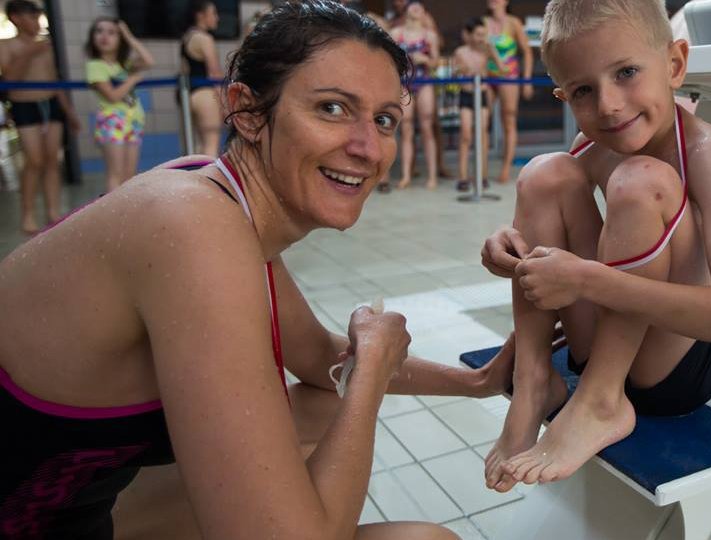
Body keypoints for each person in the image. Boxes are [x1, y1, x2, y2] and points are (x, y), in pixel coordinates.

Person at [0, 2, 514, 538]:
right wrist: (371, 374)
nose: (367, 148)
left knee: (319, 406)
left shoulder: (214, 192)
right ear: (246, 110)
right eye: (333, 109)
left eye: (383, 119)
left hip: (87, 508)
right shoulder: (191, 226)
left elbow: (318, 360)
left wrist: (478, 382)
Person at [480, 0, 711, 492]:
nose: (608, 104)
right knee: (544, 173)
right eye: (583, 90)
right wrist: (510, 246)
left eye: (627, 72)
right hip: (603, 351)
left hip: (679, 366)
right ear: (563, 96)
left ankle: (600, 403)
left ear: (674, 65)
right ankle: (533, 384)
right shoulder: (595, 148)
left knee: (640, 182)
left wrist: (590, 278)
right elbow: (548, 231)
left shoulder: (709, 152)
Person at [0, 0, 81, 234]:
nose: (37, 22)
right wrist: (28, 52)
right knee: (34, 160)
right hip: (25, 106)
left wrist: (69, 112)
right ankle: (27, 215)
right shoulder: (7, 45)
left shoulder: (46, 46)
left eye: (38, 17)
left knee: (51, 160)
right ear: (16, 18)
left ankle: (53, 212)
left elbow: (55, 81)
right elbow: (9, 80)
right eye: (32, 17)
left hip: (51, 105)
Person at [85, 18, 154, 193]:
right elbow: (112, 96)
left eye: (112, 32)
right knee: (115, 173)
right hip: (112, 122)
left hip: (133, 122)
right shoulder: (96, 65)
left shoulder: (123, 65)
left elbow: (149, 61)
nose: (104, 36)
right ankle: (114, 216)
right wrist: (133, 79)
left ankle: (125, 214)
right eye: (99, 31)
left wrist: (128, 35)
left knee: (129, 175)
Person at [390, 1, 439, 189]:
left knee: (427, 126)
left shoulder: (430, 35)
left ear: (424, 12)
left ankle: (432, 175)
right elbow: (391, 61)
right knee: (407, 127)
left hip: (424, 81)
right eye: (413, 5)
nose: (416, 7)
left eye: (420, 6)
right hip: (404, 83)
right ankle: (406, 175)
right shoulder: (396, 34)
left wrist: (426, 59)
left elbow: (435, 62)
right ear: (406, 10)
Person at [483, 0, 534, 185]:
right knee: (483, 120)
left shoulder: (513, 23)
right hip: (487, 76)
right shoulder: (483, 22)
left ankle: (505, 168)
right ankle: (483, 170)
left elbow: (527, 52)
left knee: (509, 119)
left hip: (510, 76)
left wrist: (526, 81)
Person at [453, 17, 504, 192]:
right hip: (466, 95)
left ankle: (482, 176)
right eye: (478, 34)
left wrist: (492, 49)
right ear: (470, 35)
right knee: (466, 135)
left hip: (481, 94)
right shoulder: (461, 52)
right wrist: (461, 71)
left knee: (482, 134)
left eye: (484, 34)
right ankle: (463, 177)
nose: (482, 37)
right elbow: (454, 73)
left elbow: (502, 68)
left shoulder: (486, 51)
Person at [181, 0, 224, 157]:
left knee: (199, 146)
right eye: (213, 13)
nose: (217, 18)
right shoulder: (205, 38)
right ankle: (207, 182)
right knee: (211, 146)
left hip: (190, 95)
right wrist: (223, 102)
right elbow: (214, 73)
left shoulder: (187, 37)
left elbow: (184, 70)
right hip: (206, 95)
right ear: (200, 15)